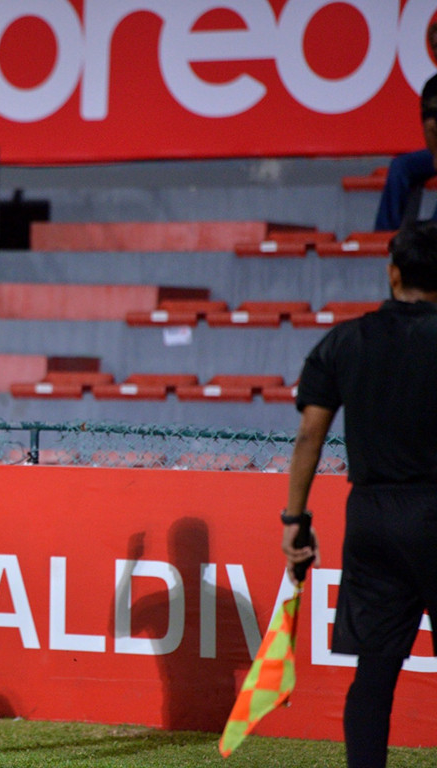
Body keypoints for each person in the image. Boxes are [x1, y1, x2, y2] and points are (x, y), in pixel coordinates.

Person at [282, 220, 437, 767]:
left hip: (371, 518)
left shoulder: (344, 342)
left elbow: (309, 436)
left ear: (392, 273)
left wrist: (294, 520)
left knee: (373, 677)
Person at [374, 22, 437, 231]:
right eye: (434, 47)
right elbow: (430, 126)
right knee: (401, 166)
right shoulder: (432, 87)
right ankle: (384, 234)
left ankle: (434, 232)